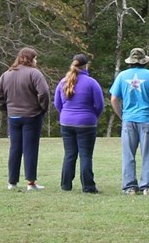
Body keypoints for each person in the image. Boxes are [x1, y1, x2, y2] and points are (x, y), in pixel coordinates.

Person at [109, 47, 149, 195]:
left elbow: (114, 99)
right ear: (144, 61)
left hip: (128, 120)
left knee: (128, 155)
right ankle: (147, 186)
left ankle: (129, 187)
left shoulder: (122, 76)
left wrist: (122, 116)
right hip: (148, 119)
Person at [0, 47, 50, 191]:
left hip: (14, 117)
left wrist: (6, 109)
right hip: (32, 116)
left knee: (15, 148)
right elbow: (43, 93)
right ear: (30, 59)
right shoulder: (34, 73)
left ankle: (12, 182)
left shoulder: (7, 74)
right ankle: (31, 183)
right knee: (30, 149)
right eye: (35, 58)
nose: (36, 61)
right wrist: (43, 108)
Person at [54, 54, 104, 193]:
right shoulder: (91, 82)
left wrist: (65, 115)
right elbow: (99, 104)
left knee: (69, 154)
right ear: (86, 65)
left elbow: (57, 104)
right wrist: (93, 116)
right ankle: (88, 186)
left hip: (66, 122)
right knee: (85, 155)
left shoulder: (63, 81)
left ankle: (66, 185)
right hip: (86, 122)